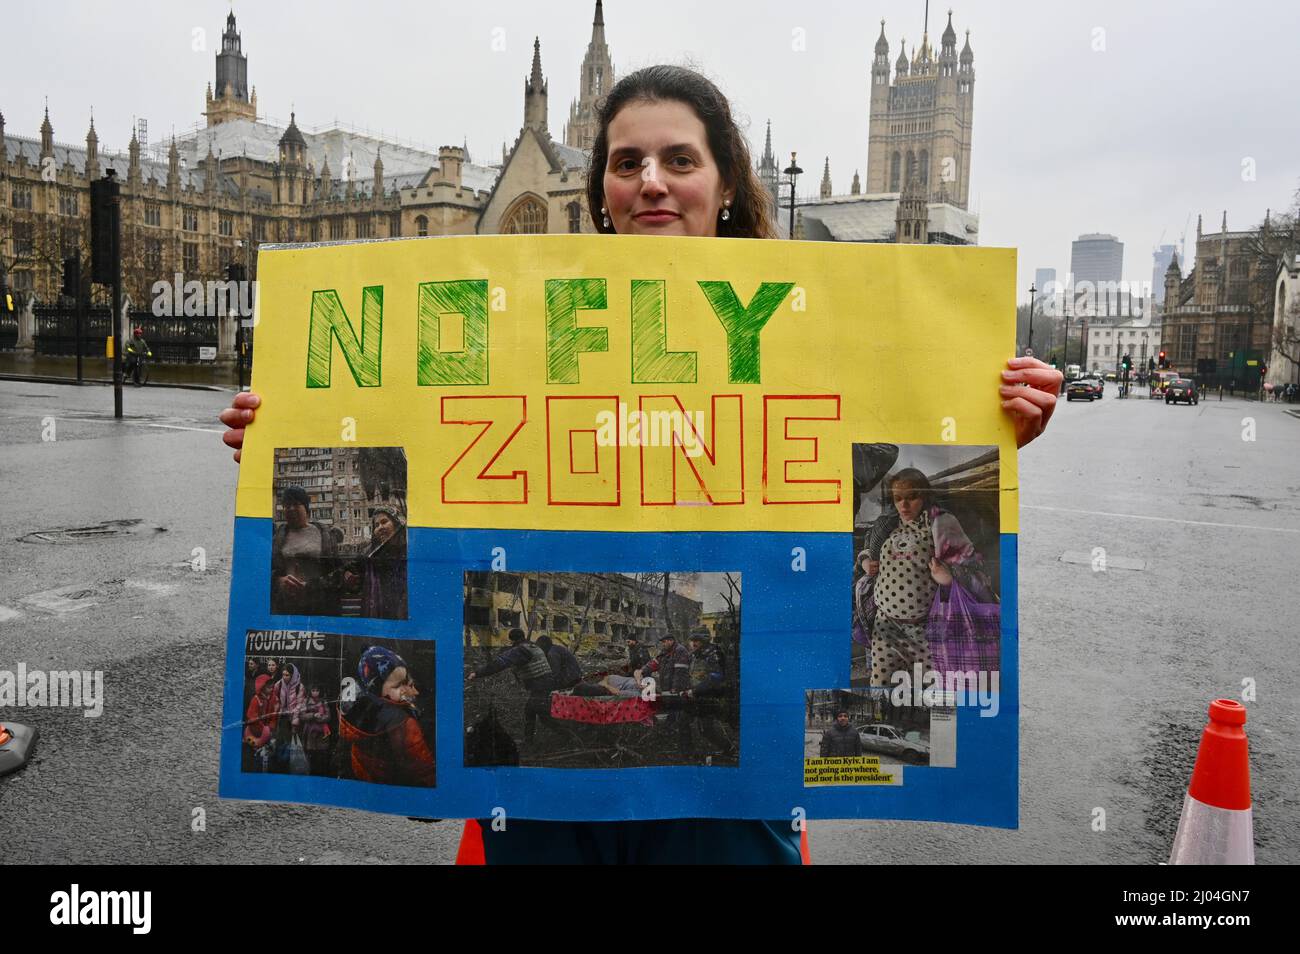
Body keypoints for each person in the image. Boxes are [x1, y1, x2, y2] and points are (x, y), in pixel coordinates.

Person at [220, 64, 1061, 865]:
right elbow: (410, 430)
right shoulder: (515, 326)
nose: (650, 180)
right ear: (600, 195)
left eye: (678, 159)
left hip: (730, 811)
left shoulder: (814, 327)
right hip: (542, 819)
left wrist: (989, 419)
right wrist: (283, 429)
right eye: (627, 163)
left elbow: (870, 459)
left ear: (727, 182)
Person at [863, 468, 995, 688]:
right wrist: (866, 561)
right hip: (885, 625)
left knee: (930, 689)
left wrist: (948, 578)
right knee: (881, 687)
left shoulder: (940, 522)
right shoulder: (887, 524)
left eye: (912, 497)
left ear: (924, 496)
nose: (903, 506)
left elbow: (974, 568)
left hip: (927, 630)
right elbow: (869, 550)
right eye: (898, 499)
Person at [338, 647, 436, 787]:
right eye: (397, 686)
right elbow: (422, 766)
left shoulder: (358, 710)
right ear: (377, 689)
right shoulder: (403, 722)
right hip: (395, 781)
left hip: (364, 775)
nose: (405, 690)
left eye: (405, 681)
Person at [467, 628, 556, 745]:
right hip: (546, 683)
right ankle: (529, 742)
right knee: (531, 710)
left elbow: (499, 664)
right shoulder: (533, 646)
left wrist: (477, 673)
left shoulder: (520, 650)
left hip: (540, 686)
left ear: (513, 640)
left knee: (541, 715)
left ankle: (568, 735)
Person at [270, 485, 341, 616]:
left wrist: (312, 586)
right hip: (287, 606)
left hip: (319, 604)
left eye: (296, 504)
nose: (291, 509)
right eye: (287, 505)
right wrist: (279, 581)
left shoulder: (325, 534)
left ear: (306, 508)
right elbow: (265, 571)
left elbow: (336, 571)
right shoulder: (277, 537)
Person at [346, 507, 408, 620]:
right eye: (376, 525)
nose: (380, 528)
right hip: (376, 613)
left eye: (384, 522)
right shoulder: (369, 553)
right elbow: (351, 573)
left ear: (396, 523)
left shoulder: (409, 550)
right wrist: (350, 577)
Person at [299, 685, 333, 776]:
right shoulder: (306, 701)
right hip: (310, 732)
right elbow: (302, 715)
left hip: (322, 732)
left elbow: (328, 716)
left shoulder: (323, 701)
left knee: (321, 755)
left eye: (317, 690)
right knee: (311, 755)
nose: (315, 692)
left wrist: (319, 718)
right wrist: (313, 715)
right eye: (313, 690)